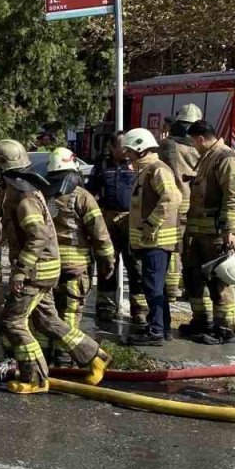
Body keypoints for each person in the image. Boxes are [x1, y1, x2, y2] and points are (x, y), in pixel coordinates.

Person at [0, 139, 111, 393]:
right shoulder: (22, 188)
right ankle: (94, 355)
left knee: (13, 322)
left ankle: (35, 377)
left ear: (1, 167)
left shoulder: (24, 196)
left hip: (36, 271)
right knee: (48, 320)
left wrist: (21, 270)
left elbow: (38, 235)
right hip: (45, 269)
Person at [44, 148, 115, 365]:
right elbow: (99, 232)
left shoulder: (42, 195)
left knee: (49, 314)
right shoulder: (82, 197)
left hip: (48, 266)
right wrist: (108, 260)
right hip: (76, 268)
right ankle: (65, 359)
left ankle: (46, 356)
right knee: (70, 312)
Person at [182, 120, 235, 345]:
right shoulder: (208, 156)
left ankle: (225, 328)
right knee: (194, 279)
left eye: (193, 142)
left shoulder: (225, 158)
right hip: (199, 231)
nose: (193, 146)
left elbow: (232, 196)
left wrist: (230, 230)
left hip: (216, 232)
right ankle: (201, 321)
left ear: (200, 138)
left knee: (219, 282)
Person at [123, 129, 182, 346]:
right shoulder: (146, 170)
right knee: (155, 285)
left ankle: (156, 331)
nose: (127, 155)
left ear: (140, 149)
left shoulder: (157, 170)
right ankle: (161, 327)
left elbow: (172, 197)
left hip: (156, 241)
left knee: (153, 286)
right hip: (150, 241)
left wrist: (151, 224)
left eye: (130, 151)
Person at [89, 132, 144, 325]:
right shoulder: (102, 166)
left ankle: (140, 309)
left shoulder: (137, 165)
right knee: (107, 264)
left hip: (131, 219)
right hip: (108, 219)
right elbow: (90, 193)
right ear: (112, 148)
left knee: (135, 265)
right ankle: (106, 306)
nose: (126, 150)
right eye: (122, 146)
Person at [160, 105, 202, 305]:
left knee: (174, 248)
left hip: (175, 204)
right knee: (191, 249)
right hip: (195, 204)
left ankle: (171, 289)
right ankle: (188, 287)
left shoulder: (168, 145)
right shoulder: (202, 147)